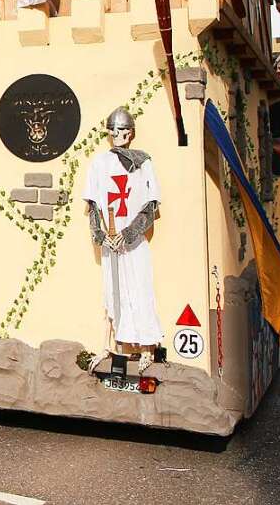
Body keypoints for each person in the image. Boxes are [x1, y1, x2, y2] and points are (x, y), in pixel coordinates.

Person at [83, 107, 164, 374]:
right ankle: (106, 345)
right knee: (111, 291)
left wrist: (129, 234)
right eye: (112, 130)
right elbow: (93, 204)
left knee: (140, 289)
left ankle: (147, 348)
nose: (117, 134)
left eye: (122, 130)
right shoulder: (99, 163)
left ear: (130, 133)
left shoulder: (144, 163)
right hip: (111, 240)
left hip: (133, 241)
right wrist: (102, 236)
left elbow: (150, 206)